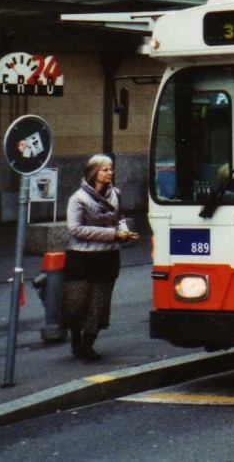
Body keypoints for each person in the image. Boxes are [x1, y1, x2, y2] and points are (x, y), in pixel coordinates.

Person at [63, 154, 138, 360]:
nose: (110, 173)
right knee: (77, 301)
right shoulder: (78, 199)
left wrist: (124, 231)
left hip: (107, 256)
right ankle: (75, 338)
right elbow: (76, 229)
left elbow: (119, 217)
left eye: (111, 169)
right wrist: (112, 234)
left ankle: (89, 341)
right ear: (93, 172)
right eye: (105, 170)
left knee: (99, 302)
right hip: (82, 256)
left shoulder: (116, 194)